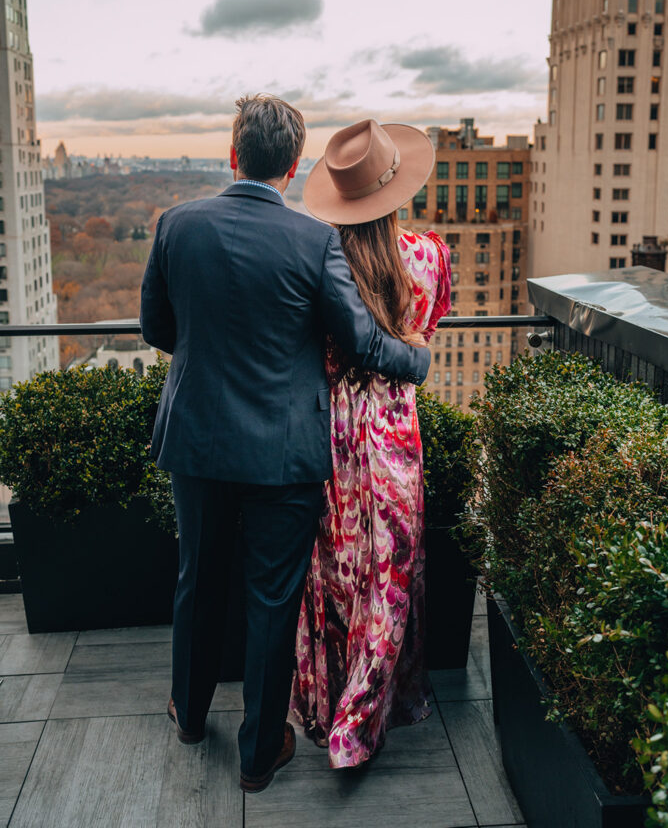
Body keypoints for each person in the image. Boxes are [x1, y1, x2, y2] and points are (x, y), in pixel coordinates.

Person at [139, 96, 431, 794]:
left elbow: (156, 327)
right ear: (294, 164)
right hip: (283, 451)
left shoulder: (176, 225)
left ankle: (188, 712)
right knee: (271, 600)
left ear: (233, 154)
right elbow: (360, 343)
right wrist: (418, 360)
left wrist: (210, 358)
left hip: (199, 440)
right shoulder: (312, 240)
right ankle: (258, 752)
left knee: (197, 579)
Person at [290, 118, 451, 768]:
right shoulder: (430, 257)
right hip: (392, 430)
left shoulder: (317, 262)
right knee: (392, 567)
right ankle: (376, 707)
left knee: (335, 569)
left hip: (330, 426)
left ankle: (330, 704)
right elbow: (427, 329)